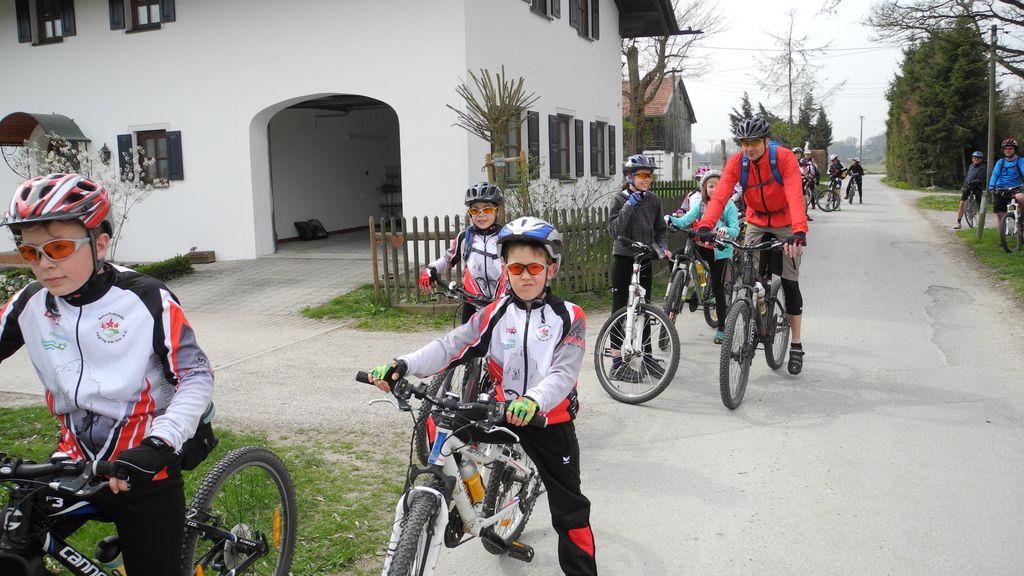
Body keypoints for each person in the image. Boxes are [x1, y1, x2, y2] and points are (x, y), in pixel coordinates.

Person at [0, 173, 215, 576]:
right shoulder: (30, 303)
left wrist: (159, 445)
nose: (44, 264)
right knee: (11, 544)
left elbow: (196, 376)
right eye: (30, 252)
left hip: (145, 466)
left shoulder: (145, 297)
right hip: (72, 463)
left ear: (99, 244)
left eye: (59, 248)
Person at [369, 217, 597, 576]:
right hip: (501, 410)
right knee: (441, 429)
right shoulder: (496, 313)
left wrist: (533, 400)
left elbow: (563, 373)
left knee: (570, 511)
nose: (525, 276)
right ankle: (466, 503)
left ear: (550, 269)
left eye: (534, 267)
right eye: (516, 267)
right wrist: (403, 364)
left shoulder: (569, 316)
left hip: (548, 419)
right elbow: (451, 346)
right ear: (505, 269)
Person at [694, 117, 809, 375]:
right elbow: (720, 195)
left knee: (790, 282)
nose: (748, 148)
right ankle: (754, 311)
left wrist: (799, 231)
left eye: (754, 142)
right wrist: (705, 225)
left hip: (785, 222)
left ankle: (796, 344)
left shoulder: (784, 158)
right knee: (750, 275)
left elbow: (794, 194)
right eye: (744, 143)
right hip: (756, 220)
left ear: (766, 141)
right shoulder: (738, 162)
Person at [607, 154, 673, 382]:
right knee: (619, 310)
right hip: (623, 258)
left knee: (644, 309)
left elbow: (660, 229)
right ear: (629, 177)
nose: (647, 179)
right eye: (643, 175)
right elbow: (614, 231)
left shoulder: (653, 200)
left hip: (644, 259)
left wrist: (662, 247)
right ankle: (617, 364)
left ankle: (647, 357)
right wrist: (629, 205)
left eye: (650, 175)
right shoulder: (619, 199)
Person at [668, 170, 740, 344]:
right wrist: (669, 219)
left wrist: (725, 231)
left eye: (718, 186)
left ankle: (721, 327)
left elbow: (735, 230)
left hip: (719, 251)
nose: (714, 190)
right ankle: (682, 287)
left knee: (718, 288)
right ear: (704, 188)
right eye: (710, 186)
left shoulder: (728, 205)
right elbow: (685, 220)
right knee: (675, 256)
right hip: (701, 246)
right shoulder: (701, 205)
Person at [419, 182, 506, 321]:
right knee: (466, 335)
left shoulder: (507, 237)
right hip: (472, 303)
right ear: (470, 213)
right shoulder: (465, 237)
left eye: (487, 210)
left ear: (497, 211)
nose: (481, 215)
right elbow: (447, 259)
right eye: (475, 210)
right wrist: (431, 269)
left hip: (502, 303)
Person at [988, 138, 1024, 252]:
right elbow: (995, 174)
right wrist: (991, 187)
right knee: (1000, 215)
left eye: (1010, 148)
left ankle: (1022, 219)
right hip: (1001, 189)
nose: (1008, 151)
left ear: (1015, 149)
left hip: (1016, 188)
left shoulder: (1020, 161)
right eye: (1006, 149)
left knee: (1021, 198)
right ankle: (1002, 238)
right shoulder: (1001, 162)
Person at [955, 151, 986, 229]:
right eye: (974, 158)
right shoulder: (971, 166)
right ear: (972, 158)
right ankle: (958, 222)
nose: (976, 159)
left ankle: (981, 223)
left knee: (979, 206)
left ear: (981, 159)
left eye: (978, 158)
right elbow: (968, 177)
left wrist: (971, 183)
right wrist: (965, 184)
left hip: (977, 188)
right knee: (961, 204)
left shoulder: (982, 168)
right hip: (968, 187)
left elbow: (980, 179)